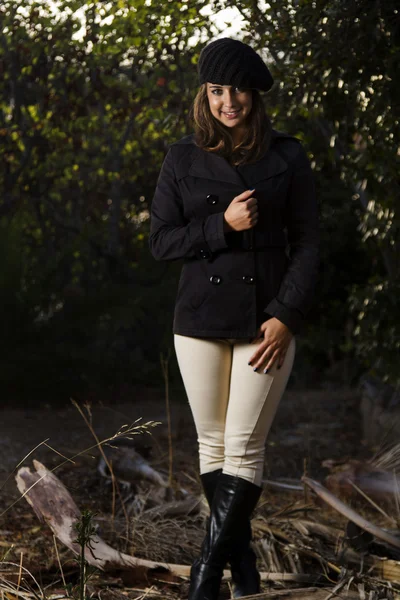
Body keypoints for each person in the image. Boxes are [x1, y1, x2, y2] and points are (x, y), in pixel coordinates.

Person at [148, 37, 320, 600]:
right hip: (196, 321)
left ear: (255, 93)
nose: (229, 101)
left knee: (243, 449)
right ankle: (244, 576)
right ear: (205, 94)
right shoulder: (181, 157)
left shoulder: (287, 155)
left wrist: (287, 314)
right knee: (214, 446)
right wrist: (223, 225)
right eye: (218, 90)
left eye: (239, 89)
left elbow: (310, 243)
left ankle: (203, 578)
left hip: (265, 323)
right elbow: (161, 243)